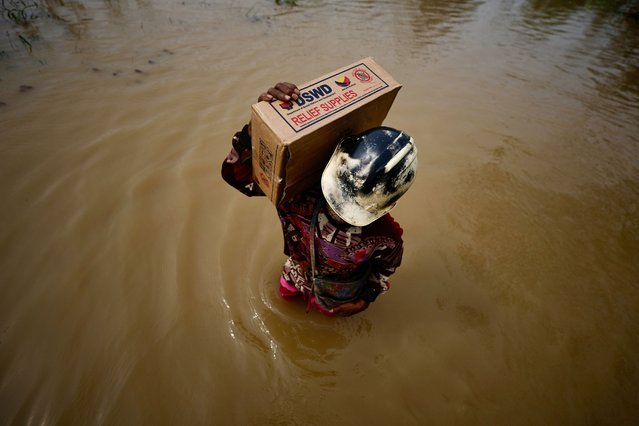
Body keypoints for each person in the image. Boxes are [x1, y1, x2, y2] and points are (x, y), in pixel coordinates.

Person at [221, 82, 418, 316]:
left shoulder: (386, 236)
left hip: (340, 292)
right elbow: (236, 177)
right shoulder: (294, 193)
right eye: (336, 196)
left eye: (350, 207)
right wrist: (259, 129)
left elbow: (387, 265)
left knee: (328, 315)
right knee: (285, 295)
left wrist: (366, 299)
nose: (337, 212)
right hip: (296, 272)